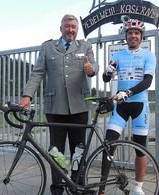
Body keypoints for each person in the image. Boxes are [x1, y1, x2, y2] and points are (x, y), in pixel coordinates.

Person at [19, 14, 99, 195]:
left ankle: (77, 186)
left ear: (77, 30)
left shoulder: (85, 46)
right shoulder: (48, 47)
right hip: (55, 107)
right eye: (67, 26)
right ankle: (58, 188)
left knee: (78, 150)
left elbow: (94, 65)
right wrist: (27, 95)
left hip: (79, 107)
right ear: (61, 28)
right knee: (56, 151)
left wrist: (91, 69)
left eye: (74, 27)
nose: (70, 29)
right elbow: (37, 73)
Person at [100, 18, 156, 195]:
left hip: (139, 105)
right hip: (121, 107)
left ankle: (138, 187)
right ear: (126, 36)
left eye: (136, 33)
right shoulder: (117, 56)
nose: (133, 35)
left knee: (140, 148)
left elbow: (147, 81)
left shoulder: (148, 55)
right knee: (108, 145)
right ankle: (101, 189)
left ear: (141, 36)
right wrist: (107, 72)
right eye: (130, 33)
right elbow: (105, 79)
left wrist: (128, 92)